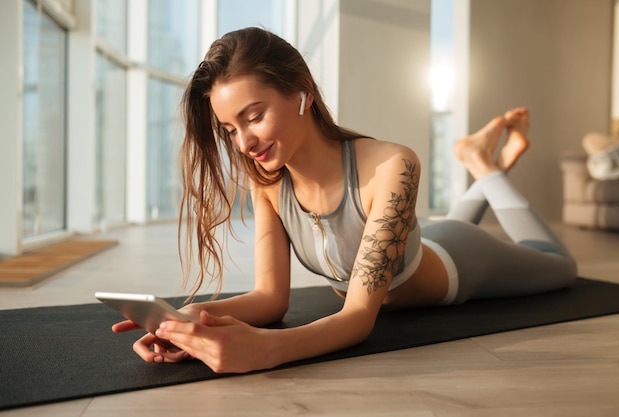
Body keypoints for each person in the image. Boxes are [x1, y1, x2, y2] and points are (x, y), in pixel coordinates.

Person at [112, 27, 577, 374]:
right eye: (231, 129)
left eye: (254, 117)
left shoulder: (394, 164)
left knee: (556, 263)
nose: (243, 143)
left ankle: (485, 164)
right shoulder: (268, 180)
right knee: (421, 229)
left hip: (460, 261)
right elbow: (271, 300)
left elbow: (357, 317)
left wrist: (265, 349)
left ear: (303, 93)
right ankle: (479, 161)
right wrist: (193, 319)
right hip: (406, 240)